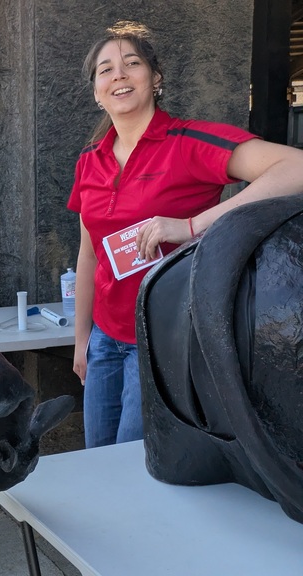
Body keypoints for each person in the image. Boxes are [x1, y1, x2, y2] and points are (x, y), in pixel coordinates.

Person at [69, 21, 303, 449]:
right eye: (105, 69)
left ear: (155, 79)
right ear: (96, 91)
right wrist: (82, 340)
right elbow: (90, 256)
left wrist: (192, 226)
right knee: (96, 458)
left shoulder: (187, 141)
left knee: (136, 467)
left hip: (164, 338)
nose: (118, 74)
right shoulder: (90, 160)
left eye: (131, 63)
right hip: (105, 338)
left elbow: (296, 168)